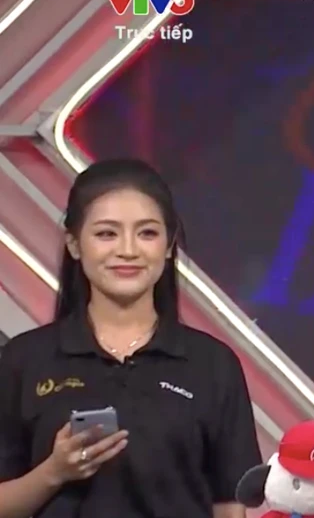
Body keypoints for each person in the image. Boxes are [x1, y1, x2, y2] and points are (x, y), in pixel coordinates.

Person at [0, 159, 260, 518]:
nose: (128, 250)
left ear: (169, 245)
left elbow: (230, 503)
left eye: (147, 233)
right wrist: (53, 472)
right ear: (74, 244)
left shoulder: (212, 363)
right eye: (106, 234)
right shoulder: (23, 359)